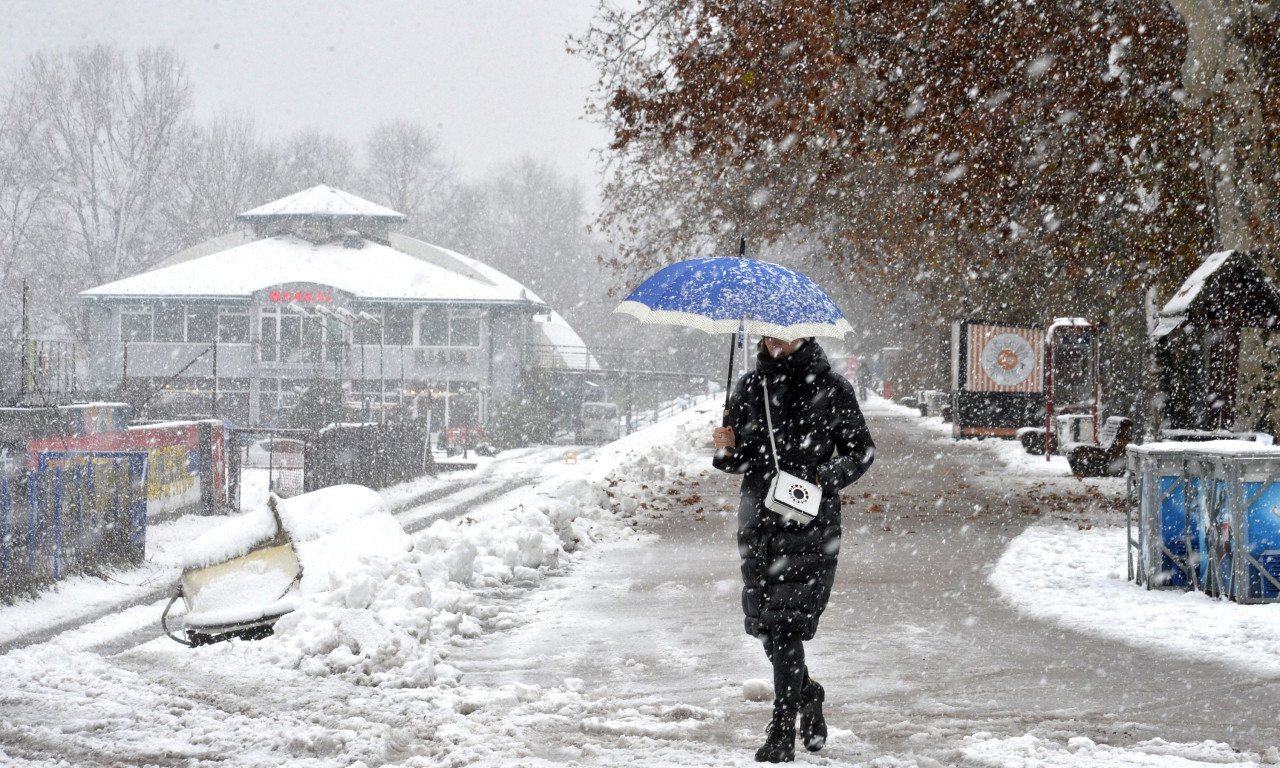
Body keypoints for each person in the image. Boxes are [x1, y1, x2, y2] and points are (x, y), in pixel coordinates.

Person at [712, 335, 875, 763]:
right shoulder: (749, 387)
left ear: (804, 334)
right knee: (766, 627)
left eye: (783, 331)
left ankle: (782, 729)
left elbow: (862, 450)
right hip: (758, 520)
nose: (774, 339)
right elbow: (738, 460)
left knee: (786, 625)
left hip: (809, 519)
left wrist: (825, 474)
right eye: (767, 331)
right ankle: (809, 694)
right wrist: (726, 447)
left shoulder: (832, 387)